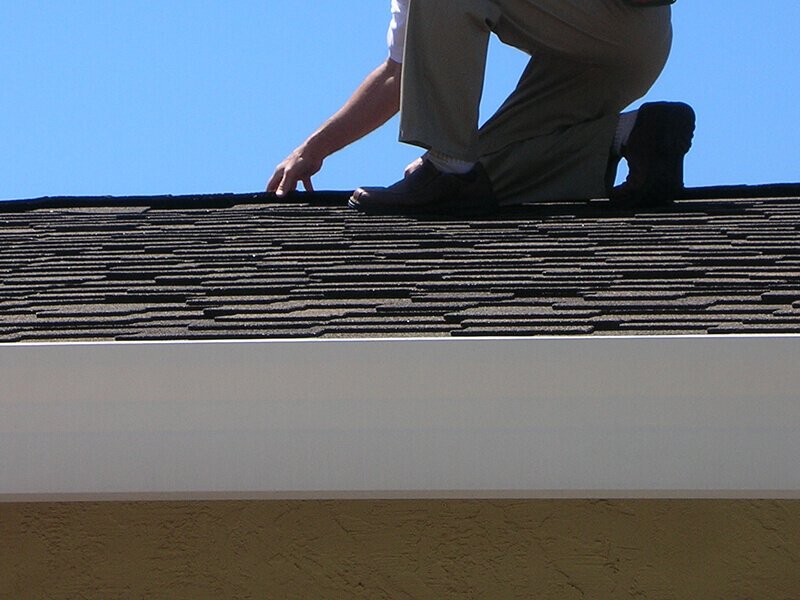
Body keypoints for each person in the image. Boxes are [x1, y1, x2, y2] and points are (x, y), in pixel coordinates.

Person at [268, 0, 695, 215]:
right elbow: (400, 72)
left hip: (621, 17)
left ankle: (447, 165)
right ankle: (634, 134)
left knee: (454, 176)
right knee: (484, 178)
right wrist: (313, 148)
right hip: (622, 48)